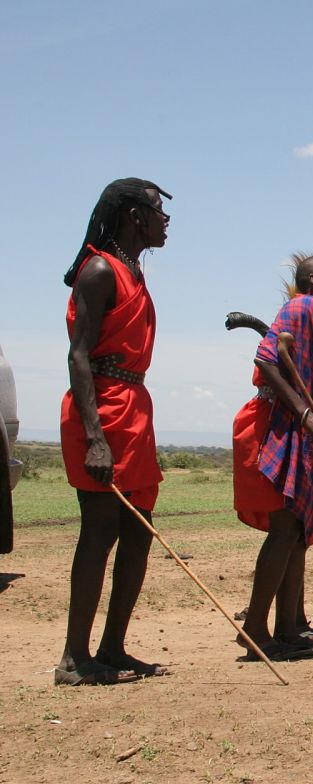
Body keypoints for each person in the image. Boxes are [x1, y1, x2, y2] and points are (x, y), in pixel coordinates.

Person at [56, 178, 172, 685]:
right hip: (100, 407)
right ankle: (74, 659)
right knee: (99, 531)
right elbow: (78, 355)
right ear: (134, 215)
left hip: (134, 408)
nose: (165, 222)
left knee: (138, 533)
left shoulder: (134, 271)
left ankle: (113, 648)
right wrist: (96, 437)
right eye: (158, 212)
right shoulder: (101, 270)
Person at [231, 254, 313, 660]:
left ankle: (287, 628)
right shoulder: (301, 306)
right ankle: (256, 630)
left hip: (307, 431)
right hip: (283, 426)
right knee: (286, 529)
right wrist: (306, 414)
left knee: (297, 533)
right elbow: (267, 360)